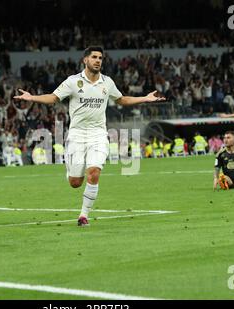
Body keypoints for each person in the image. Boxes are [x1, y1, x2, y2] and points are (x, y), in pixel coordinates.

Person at [14, 46, 165, 226]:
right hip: (77, 134)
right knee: (75, 182)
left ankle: (83, 215)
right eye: (94, 57)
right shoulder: (73, 81)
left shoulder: (107, 83)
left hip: (98, 134)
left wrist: (144, 99)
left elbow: (122, 99)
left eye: (100, 57)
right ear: (85, 60)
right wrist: (32, 98)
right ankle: (71, 170)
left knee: (93, 173)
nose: (98, 60)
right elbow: (53, 98)